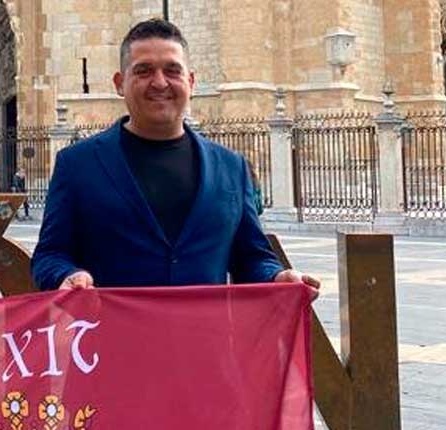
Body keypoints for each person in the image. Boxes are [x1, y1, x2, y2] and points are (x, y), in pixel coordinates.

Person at [31, 19, 319, 296]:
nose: (159, 82)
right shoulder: (78, 164)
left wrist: (276, 277)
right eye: (144, 71)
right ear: (120, 83)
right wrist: (64, 275)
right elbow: (49, 255)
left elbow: (250, 257)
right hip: (110, 340)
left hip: (205, 340)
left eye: (172, 70)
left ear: (190, 81)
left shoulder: (232, 168)